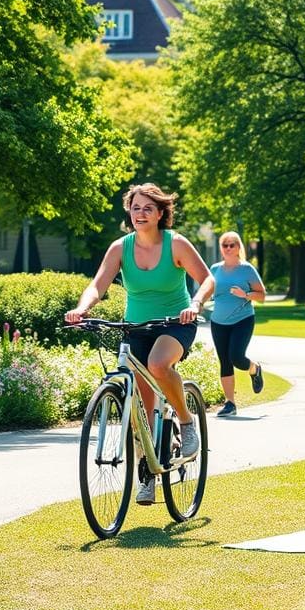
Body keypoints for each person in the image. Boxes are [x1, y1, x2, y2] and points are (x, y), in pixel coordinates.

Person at [65, 183, 215, 505]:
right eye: (135, 208)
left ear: (161, 213)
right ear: (129, 213)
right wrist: (82, 308)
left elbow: (207, 280)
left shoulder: (176, 244)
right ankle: (146, 474)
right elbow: (98, 284)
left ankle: (187, 422)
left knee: (159, 365)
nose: (140, 214)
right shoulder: (120, 248)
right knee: (141, 413)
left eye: (148, 208)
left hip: (176, 324)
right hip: (136, 329)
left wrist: (196, 304)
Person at [209, 232, 266, 417]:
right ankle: (230, 404)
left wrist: (246, 295)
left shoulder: (247, 269)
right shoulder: (214, 269)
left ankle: (254, 369)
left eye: (232, 245)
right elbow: (207, 289)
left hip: (242, 319)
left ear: (238, 247)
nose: (228, 248)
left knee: (236, 357)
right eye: (225, 245)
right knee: (225, 361)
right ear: (221, 248)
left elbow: (262, 295)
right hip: (218, 321)